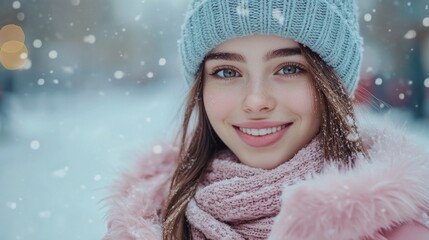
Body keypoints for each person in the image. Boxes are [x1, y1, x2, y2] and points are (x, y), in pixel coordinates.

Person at [103, 0, 429, 239]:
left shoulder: (401, 231)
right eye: (227, 71)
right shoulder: (145, 225)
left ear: (332, 84)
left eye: (289, 69)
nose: (256, 101)